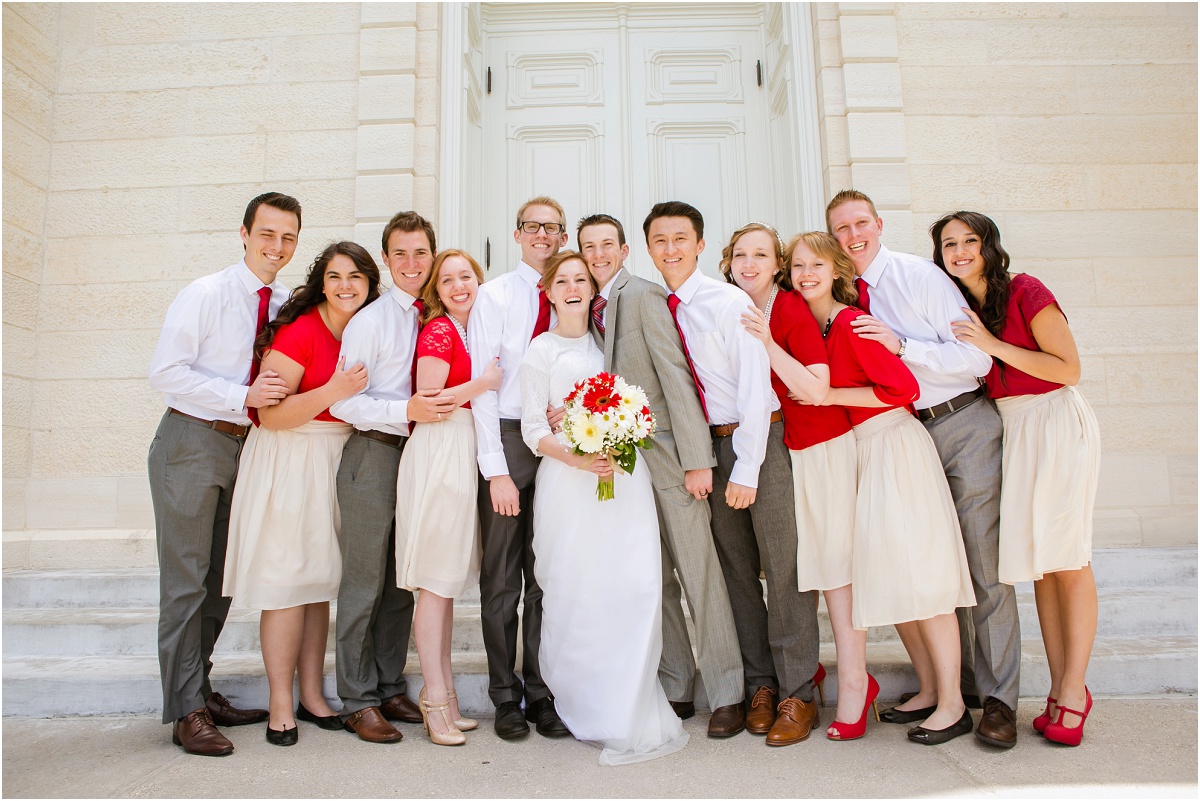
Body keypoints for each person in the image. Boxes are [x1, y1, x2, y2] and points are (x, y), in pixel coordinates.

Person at [827, 189, 1021, 749]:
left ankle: (999, 700)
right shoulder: (844, 291)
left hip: (961, 422)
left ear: (879, 224)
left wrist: (903, 344)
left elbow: (977, 358)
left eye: (860, 223)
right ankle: (947, 688)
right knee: (933, 564)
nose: (852, 235)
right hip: (907, 435)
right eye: (840, 228)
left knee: (983, 567)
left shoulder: (918, 278)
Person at [790, 232, 978, 745]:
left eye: (817, 265)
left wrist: (829, 396)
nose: (806, 274)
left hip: (894, 445)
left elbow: (904, 389)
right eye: (798, 265)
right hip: (864, 452)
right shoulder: (817, 326)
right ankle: (931, 689)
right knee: (896, 575)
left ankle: (955, 704)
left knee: (925, 574)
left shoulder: (851, 324)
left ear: (836, 271)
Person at [644, 202, 820, 747]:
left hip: (756, 443)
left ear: (699, 245)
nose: (670, 249)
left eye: (681, 239)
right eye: (660, 240)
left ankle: (797, 692)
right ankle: (760, 685)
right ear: (649, 248)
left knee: (783, 569)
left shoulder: (728, 302)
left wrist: (746, 467)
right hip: (708, 452)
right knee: (735, 575)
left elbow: (754, 388)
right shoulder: (658, 306)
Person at [933, 211, 1101, 746]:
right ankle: (1055, 689)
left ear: (989, 246)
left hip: (1054, 421)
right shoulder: (961, 305)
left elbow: (1068, 369)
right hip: (1014, 430)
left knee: (1070, 559)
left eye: (970, 241)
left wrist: (991, 344)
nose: (959, 251)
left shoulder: (1025, 290)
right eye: (948, 244)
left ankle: (1074, 691)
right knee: (1042, 568)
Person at [576, 213, 746, 737]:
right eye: (589, 247)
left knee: (699, 572)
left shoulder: (644, 296)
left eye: (608, 244)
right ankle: (676, 684)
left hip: (670, 457)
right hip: (626, 467)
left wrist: (698, 460)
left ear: (625, 250)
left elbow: (675, 378)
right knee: (656, 578)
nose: (599, 254)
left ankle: (728, 692)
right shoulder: (586, 305)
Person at [519, 250, 689, 765]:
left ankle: (628, 696)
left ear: (594, 290)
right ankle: (582, 701)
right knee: (576, 590)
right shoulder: (539, 352)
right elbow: (533, 431)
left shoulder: (605, 344)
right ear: (548, 291)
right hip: (570, 486)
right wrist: (581, 458)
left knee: (629, 587)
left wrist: (616, 442)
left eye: (581, 279)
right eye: (562, 280)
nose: (573, 287)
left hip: (622, 481)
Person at [147, 192, 299, 756]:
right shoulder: (206, 293)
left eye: (287, 238)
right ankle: (185, 710)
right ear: (244, 233)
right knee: (186, 582)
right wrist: (242, 396)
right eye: (267, 234)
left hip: (247, 449)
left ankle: (201, 688)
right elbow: (165, 372)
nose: (276, 247)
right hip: (191, 440)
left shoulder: (286, 301)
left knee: (219, 580)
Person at [223, 242, 380, 746]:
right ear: (322, 282)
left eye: (356, 276)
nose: (346, 286)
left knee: (317, 586)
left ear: (370, 284)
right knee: (287, 585)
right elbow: (270, 414)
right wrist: (334, 390)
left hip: (334, 460)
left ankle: (313, 696)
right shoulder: (302, 330)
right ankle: (280, 704)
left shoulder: (362, 329)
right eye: (335, 276)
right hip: (291, 457)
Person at [732, 225, 868, 740]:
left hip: (810, 446)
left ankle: (825, 685)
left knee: (815, 564)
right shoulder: (734, 304)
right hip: (778, 447)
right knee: (791, 563)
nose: (750, 264)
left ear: (776, 263)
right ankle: (783, 678)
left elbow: (817, 386)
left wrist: (767, 344)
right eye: (741, 254)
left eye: (761, 255)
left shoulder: (786, 307)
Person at [328, 212, 457, 744]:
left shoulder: (434, 316)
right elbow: (344, 402)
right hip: (374, 453)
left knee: (403, 577)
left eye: (420, 253)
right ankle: (357, 699)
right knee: (363, 580)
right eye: (400, 254)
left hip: (417, 455)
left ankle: (387, 683)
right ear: (386, 259)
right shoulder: (371, 321)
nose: (411, 264)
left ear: (432, 255)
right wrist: (404, 411)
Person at [468, 197, 571, 740]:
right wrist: (495, 470)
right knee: (502, 576)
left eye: (553, 228)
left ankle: (542, 691)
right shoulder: (494, 296)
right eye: (533, 227)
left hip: (556, 443)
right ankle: (504, 695)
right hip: (508, 439)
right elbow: (484, 390)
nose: (543, 236)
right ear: (517, 234)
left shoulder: (572, 294)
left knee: (546, 574)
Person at [394, 250, 502, 746]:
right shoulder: (439, 331)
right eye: (449, 279)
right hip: (440, 451)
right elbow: (430, 400)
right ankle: (435, 699)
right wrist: (483, 384)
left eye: (467, 277)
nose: (459, 286)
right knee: (435, 583)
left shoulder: (466, 330)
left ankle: (447, 697)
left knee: (445, 583)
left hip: (458, 451)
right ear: (436, 289)